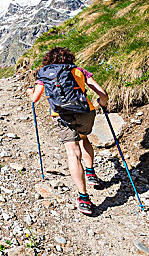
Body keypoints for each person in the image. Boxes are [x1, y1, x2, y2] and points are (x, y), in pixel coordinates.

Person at [26, 47, 109, 215]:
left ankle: (84, 198)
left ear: (49, 60)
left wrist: (29, 92)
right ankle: (91, 173)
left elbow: (35, 98)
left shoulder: (44, 73)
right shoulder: (78, 70)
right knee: (84, 138)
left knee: (72, 152)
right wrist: (103, 102)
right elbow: (103, 93)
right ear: (70, 58)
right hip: (86, 111)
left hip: (61, 115)